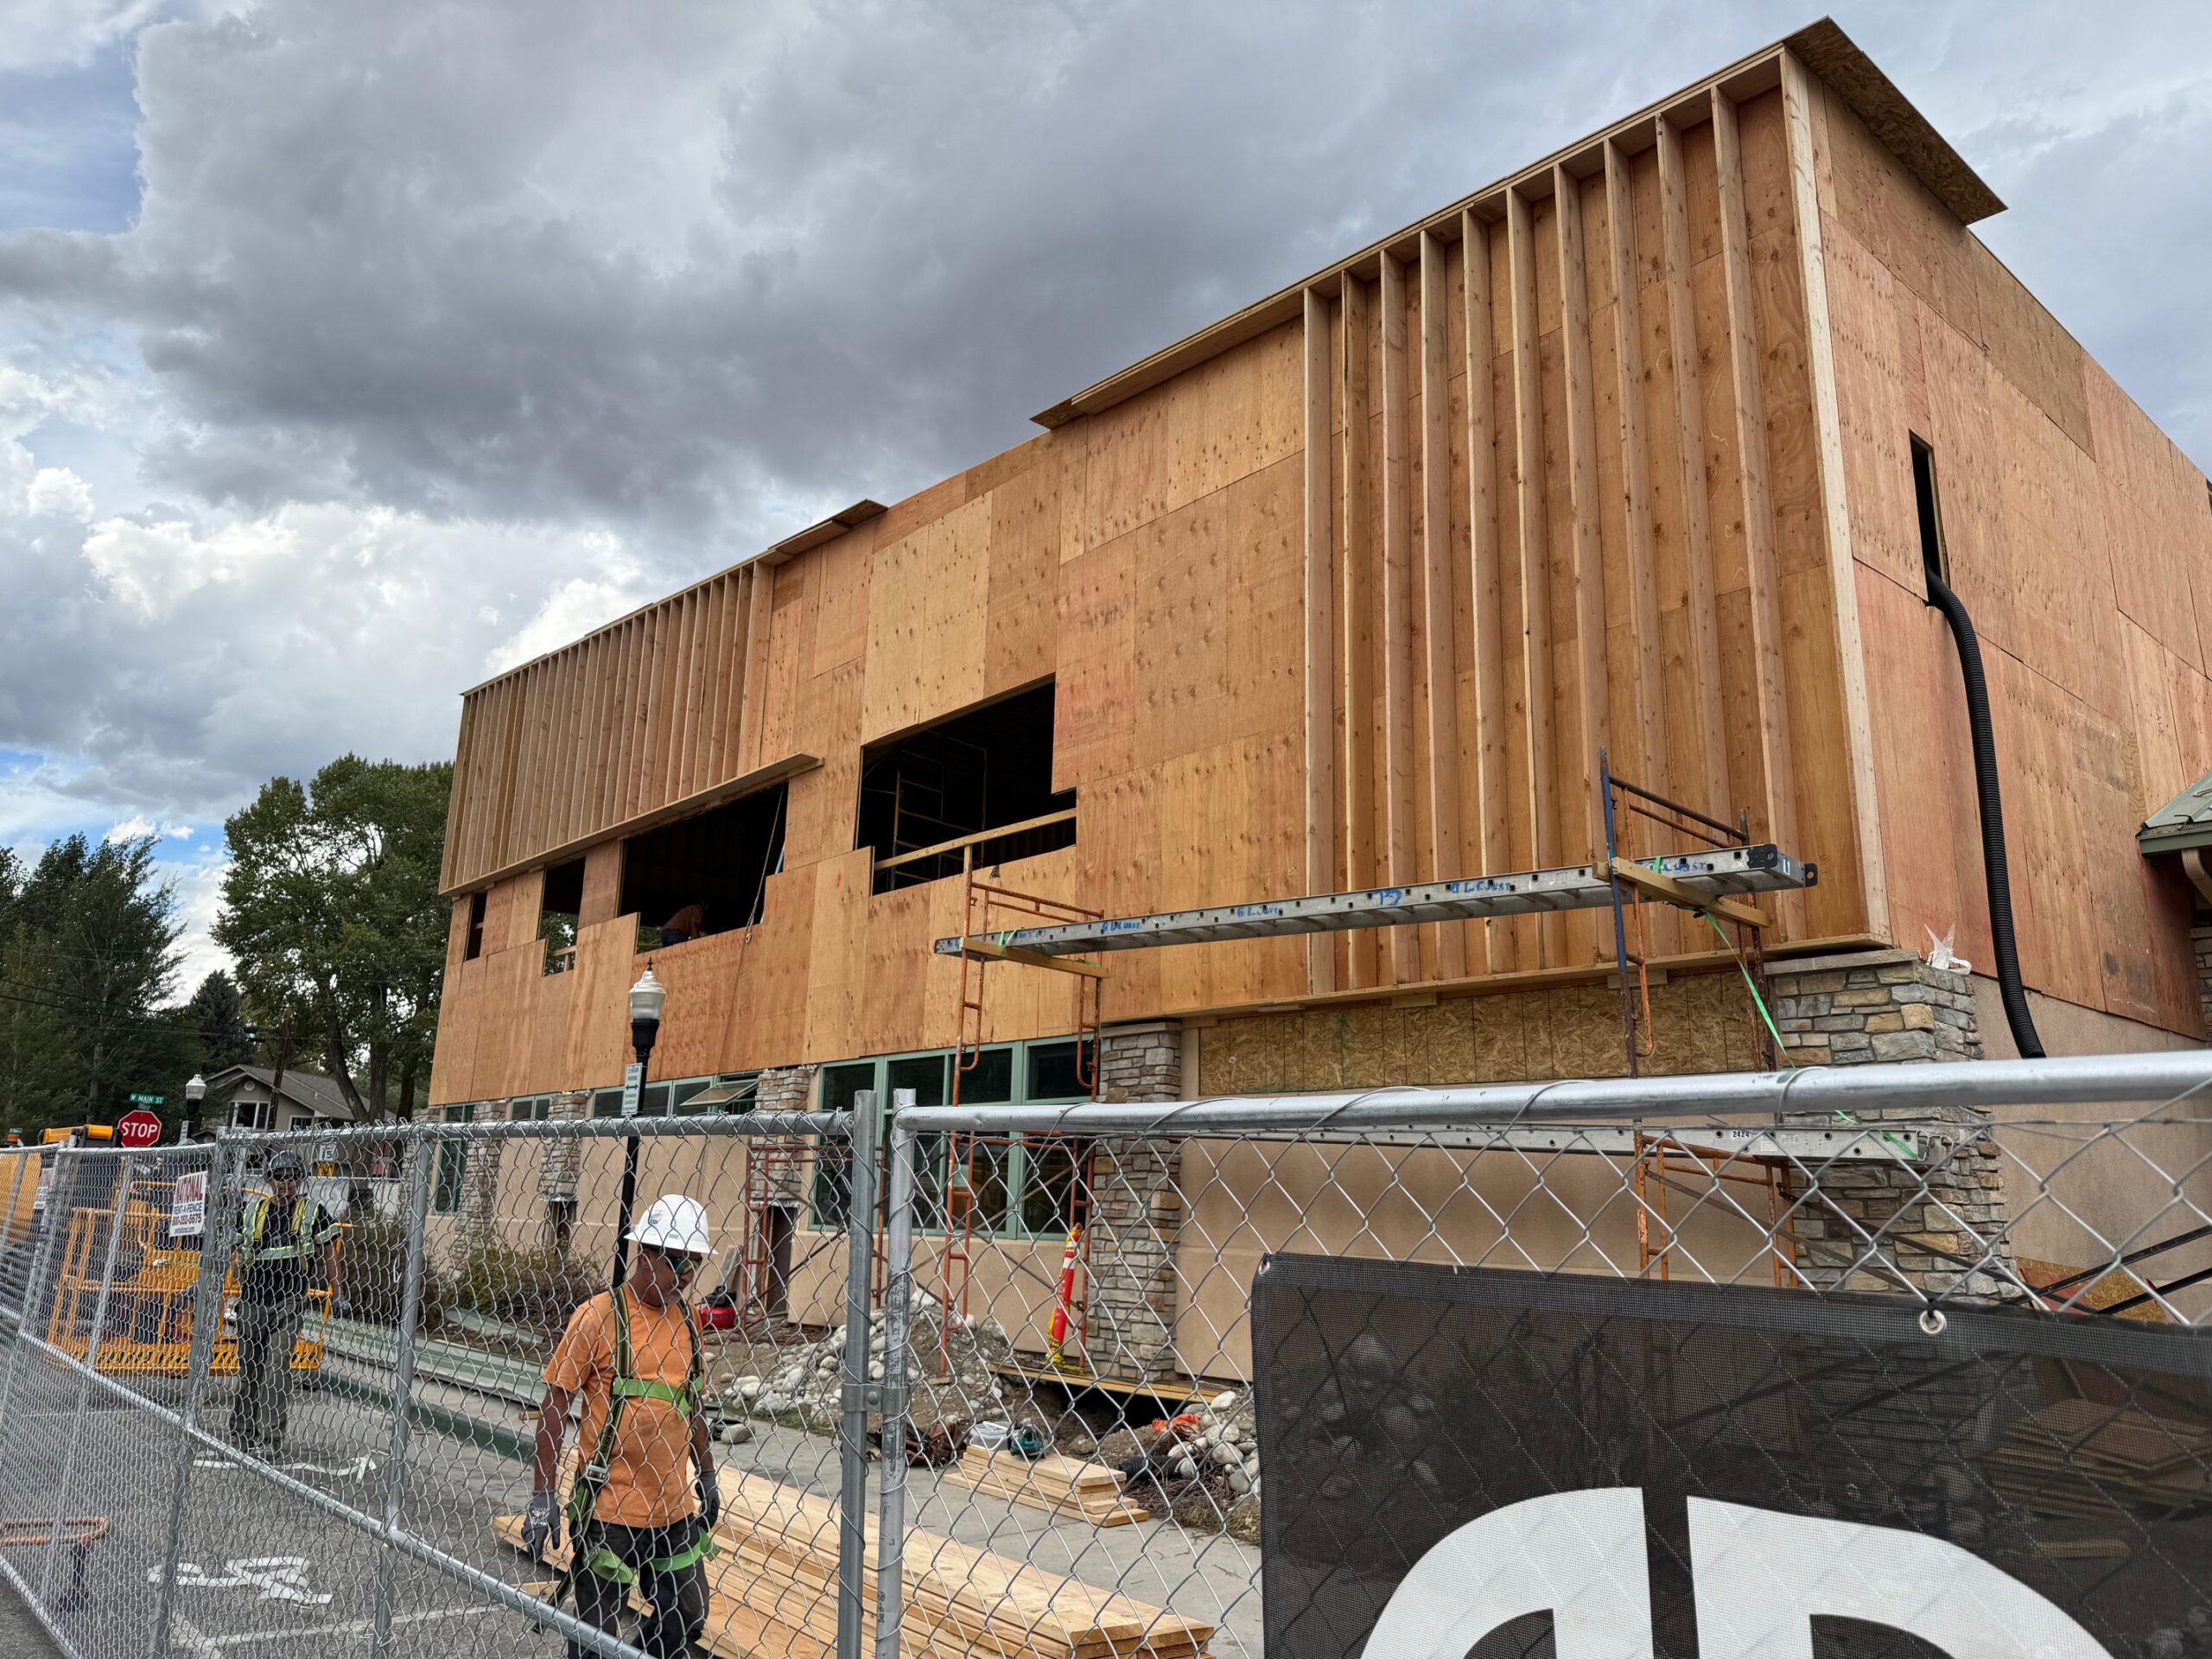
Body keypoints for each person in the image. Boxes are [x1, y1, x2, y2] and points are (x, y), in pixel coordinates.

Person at [523, 1195, 721, 1659]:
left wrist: (708, 1472)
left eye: (694, 1265)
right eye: (678, 1262)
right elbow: (555, 1404)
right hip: (609, 1512)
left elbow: (692, 1404)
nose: (686, 1276)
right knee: (597, 1634)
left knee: (687, 1614)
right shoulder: (599, 1316)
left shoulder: (689, 1321)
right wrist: (543, 1495)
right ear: (645, 1255)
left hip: (673, 1511)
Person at [228, 1150, 340, 1455]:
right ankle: (242, 1432)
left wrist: (338, 1291)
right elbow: (234, 1252)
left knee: (276, 1372)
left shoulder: (313, 1213)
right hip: (252, 1301)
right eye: (280, 1177)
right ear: (269, 1180)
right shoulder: (252, 1212)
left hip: (288, 1303)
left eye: (292, 1177)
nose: (286, 1183)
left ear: (300, 1180)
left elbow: (329, 1252)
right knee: (249, 1372)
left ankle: (270, 1440)